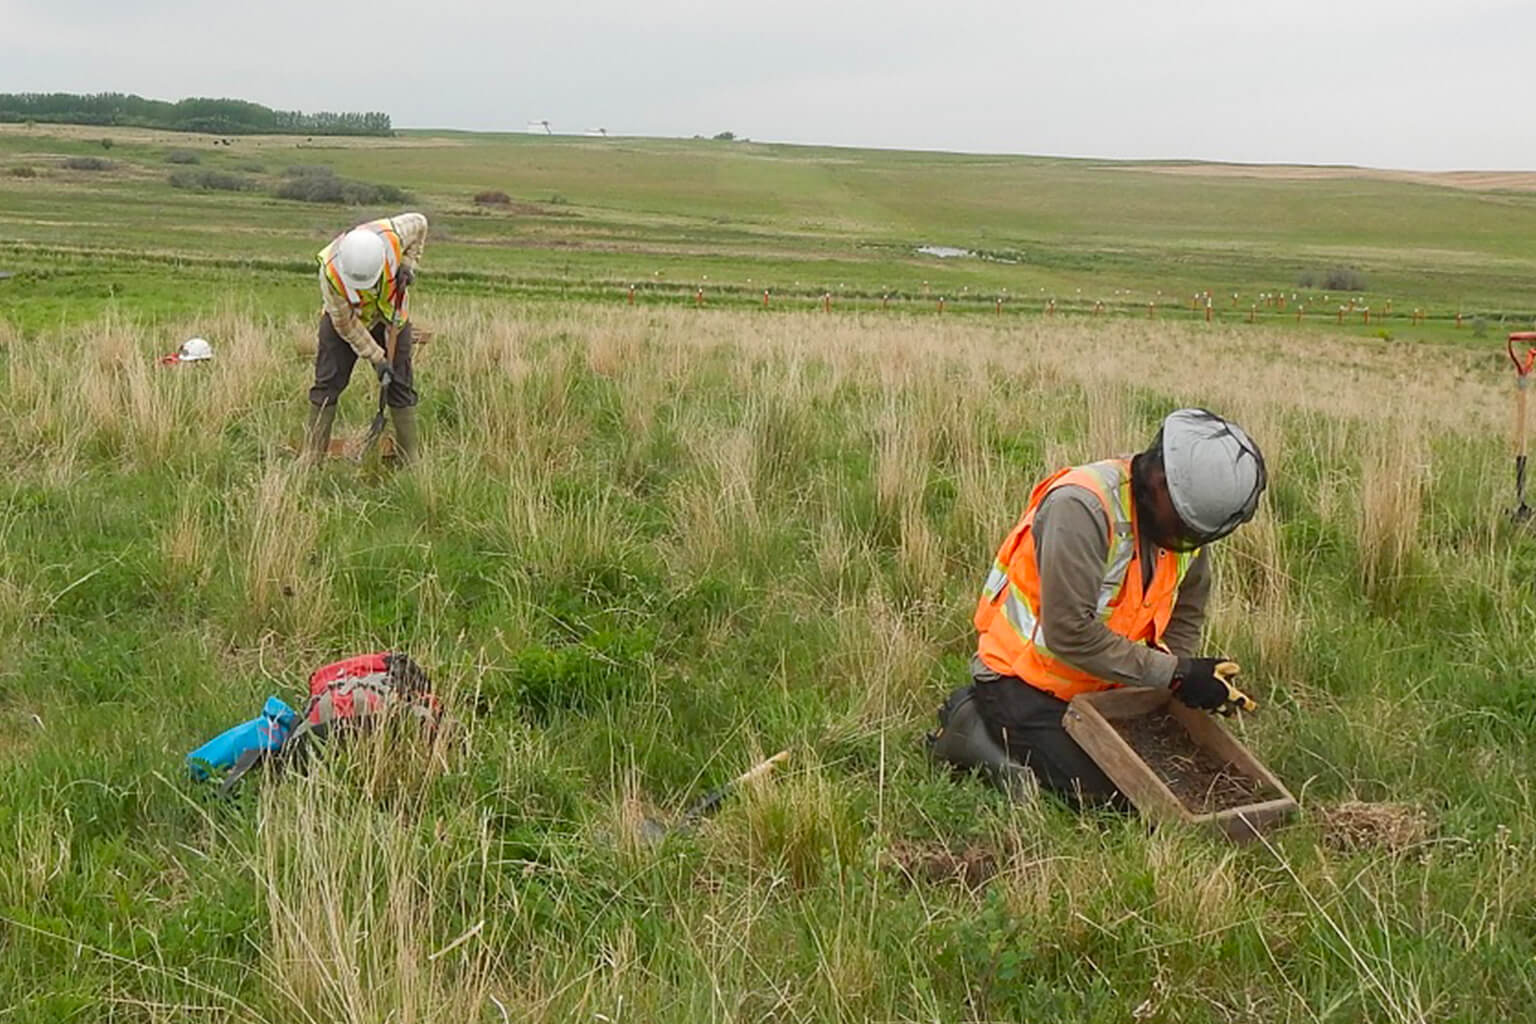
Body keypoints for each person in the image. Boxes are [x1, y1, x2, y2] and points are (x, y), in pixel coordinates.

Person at [929, 408, 1267, 804]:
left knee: (1171, 778)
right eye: (1185, 527)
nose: (1189, 540)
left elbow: (1188, 606)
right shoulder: (1081, 508)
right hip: (1024, 684)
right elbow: (1068, 633)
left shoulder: (1184, 520)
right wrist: (1175, 674)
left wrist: (1176, 678)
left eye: (1198, 534)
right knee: (1121, 796)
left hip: (1110, 685)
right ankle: (970, 727)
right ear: (1159, 482)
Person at [304, 213, 428, 460]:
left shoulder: (393, 236)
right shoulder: (330, 273)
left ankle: (410, 459)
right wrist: (378, 359)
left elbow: (421, 223)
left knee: (400, 385)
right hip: (347, 320)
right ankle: (312, 457)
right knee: (327, 383)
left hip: (392, 316)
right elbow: (347, 326)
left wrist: (407, 264)